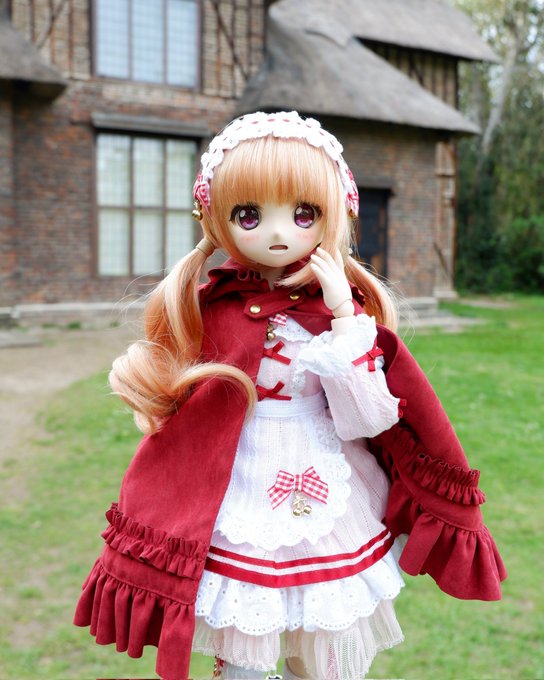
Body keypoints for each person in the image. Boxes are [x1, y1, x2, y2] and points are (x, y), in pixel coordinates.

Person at [74, 111, 506, 680]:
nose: (278, 233)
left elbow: (365, 419)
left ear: (334, 214)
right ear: (216, 217)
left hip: (324, 476)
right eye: (249, 215)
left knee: (322, 646)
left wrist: (345, 314)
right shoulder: (213, 307)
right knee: (244, 644)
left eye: (303, 214)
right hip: (238, 484)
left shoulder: (339, 314)